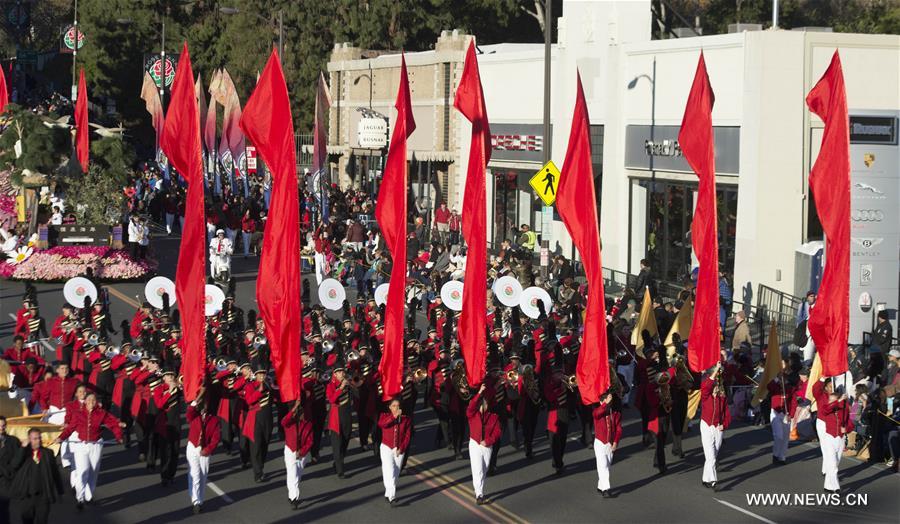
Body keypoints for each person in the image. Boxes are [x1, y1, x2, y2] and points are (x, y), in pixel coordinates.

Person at [54, 392, 123, 509]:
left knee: (93, 471)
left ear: (96, 402)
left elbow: (113, 424)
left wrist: (119, 436)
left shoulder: (101, 413)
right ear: (85, 401)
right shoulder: (78, 414)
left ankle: (88, 496)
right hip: (82, 445)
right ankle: (79, 499)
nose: (91, 402)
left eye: (93, 400)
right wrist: (61, 437)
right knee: (82, 471)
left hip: (96, 445)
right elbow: (70, 429)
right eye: (89, 400)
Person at [11, 428, 65, 524]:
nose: (38, 441)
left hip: (44, 495)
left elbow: (55, 473)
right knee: (27, 520)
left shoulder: (48, 453)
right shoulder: (24, 452)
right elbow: (14, 465)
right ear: (29, 439)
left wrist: (60, 492)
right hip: (27, 495)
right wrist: (23, 448)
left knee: (42, 520)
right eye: (35, 438)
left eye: (39, 438)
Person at [186, 387, 220, 514]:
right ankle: (196, 502)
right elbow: (189, 412)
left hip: (204, 450)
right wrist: (197, 398)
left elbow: (216, 439)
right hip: (192, 446)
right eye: (203, 403)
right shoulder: (194, 414)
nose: (205, 406)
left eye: (207, 404)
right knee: (194, 474)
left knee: (203, 475)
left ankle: (199, 498)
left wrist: (207, 449)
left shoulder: (214, 420)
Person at [466, 383, 501, 505]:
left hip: (487, 446)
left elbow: (497, 432)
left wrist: (488, 441)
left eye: (485, 404)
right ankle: (479, 494)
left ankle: (478, 488)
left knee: (484, 470)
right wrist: (479, 393)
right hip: (475, 444)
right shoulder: (472, 415)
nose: (484, 406)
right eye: (482, 404)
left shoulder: (493, 417)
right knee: (478, 470)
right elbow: (471, 407)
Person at [700, 363, 730, 490]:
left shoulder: (722, 398)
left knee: (713, 455)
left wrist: (724, 424)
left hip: (718, 427)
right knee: (711, 456)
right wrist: (715, 370)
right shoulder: (706, 396)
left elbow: (727, 414)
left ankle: (705, 479)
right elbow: (706, 386)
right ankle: (713, 481)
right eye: (714, 386)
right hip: (706, 426)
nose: (716, 388)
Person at [281, 399, 313, 510]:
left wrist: (302, 452)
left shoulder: (308, 424)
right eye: (301, 413)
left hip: (302, 454)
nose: (303, 415)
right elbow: (283, 422)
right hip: (290, 450)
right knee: (292, 474)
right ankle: (295, 499)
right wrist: (294, 408)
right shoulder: (289, 423)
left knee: (297, 476)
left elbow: (310, 441)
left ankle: (291, 495)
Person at [592, 390, 622, 498]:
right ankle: (606, 489)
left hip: (610, 443)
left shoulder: (616, 413)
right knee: (603, 465)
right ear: (601, 402)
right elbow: (597, 413)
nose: (609, 403)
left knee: (607, 467)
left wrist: (615, 442)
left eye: (610, 401)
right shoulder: (597, 412)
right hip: (600, 442)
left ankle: (600, 486)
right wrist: (605, 403)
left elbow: (618, 430)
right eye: (606, 401)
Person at [0, 416, 22, 522]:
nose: (1, 428)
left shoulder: (13, 441)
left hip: (6, 480)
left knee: (3, 509)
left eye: (3, 426)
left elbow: (18, 460)